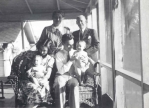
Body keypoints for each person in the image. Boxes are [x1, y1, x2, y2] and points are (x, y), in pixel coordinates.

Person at [53, 34, 79, 108]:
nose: (71, 47)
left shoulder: (76, 52)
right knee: (59, 83)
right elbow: (61, 71)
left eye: (72, 45)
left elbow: (81, 67)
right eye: (68, 45)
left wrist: (81, 61)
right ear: (63, 43)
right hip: (61, 75)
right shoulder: (58, 54)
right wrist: (70, 61)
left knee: (74, 85)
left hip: (71, 76)